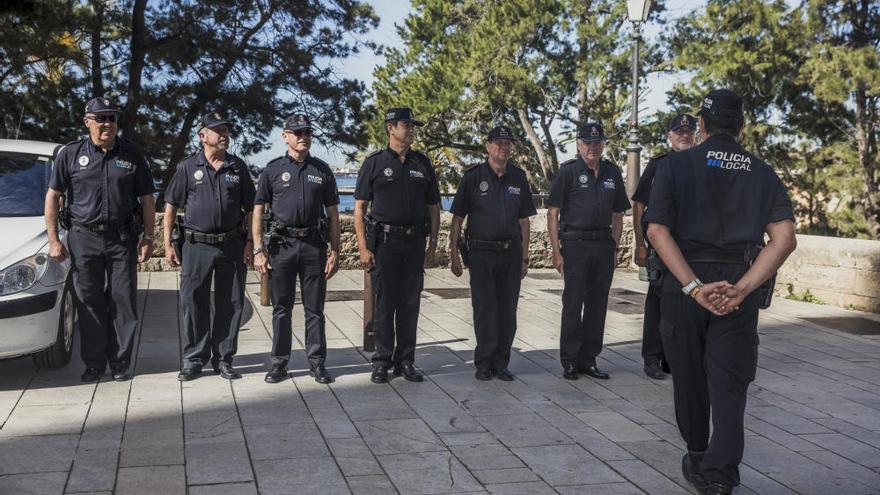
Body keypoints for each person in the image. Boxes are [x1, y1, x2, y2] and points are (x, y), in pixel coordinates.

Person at [646, 89, 797, 495]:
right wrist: (744, 288)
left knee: (689, 376)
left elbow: (656, 229)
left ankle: (698, 454)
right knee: (730, 383)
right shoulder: (763, 172)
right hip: (736, 288)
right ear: (742, 126)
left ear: (701, 125)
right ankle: (720, 476)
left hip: (686, 284)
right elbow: (784, 239)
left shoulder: (676, 166)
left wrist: (694, 287)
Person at [45, 96, 156, 383]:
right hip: (84, 238)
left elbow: (147, 199)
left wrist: (149, 236)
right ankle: (94, 363)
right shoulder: (70, 155)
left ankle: (119, 363)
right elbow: (53, 197)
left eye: (112, 118)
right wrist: (54, 239)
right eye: (101, 118)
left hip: (122, 239)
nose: (107, 123)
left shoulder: (132, 155)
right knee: (89, 301)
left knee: (123, 300)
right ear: (87, 122)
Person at [164, 112, 255, 382]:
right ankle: (194, 359)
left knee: (231, 302)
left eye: (226, 129)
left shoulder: (238, 167)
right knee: (193, 303)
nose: (224, 134)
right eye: (218, 130)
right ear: (203, 136)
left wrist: (251, 242)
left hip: (232, 244)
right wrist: (167, 242)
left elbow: (251, 208)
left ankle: (224, 359)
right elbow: (170, 206)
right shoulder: (187, 167)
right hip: (196, 245)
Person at [252, 114, 341, 385]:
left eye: (307, 132)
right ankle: (279, 363)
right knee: (282, 308)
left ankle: (317, 363)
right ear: (285, 136)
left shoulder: (322, 170)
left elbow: (334, 214)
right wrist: (258, 249)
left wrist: (335, 251)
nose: (303, 136)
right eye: (298, 132)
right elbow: (258, 211)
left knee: (315, 309)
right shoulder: (273, 170)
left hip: (313, 245)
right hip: (282, 246)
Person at [353, 107, 440, 384]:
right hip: (385, 243)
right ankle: (381, 362)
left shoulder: (422, 163)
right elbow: (359, 208)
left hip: (414, 242)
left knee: (409, 304)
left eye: (413, 125)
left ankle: (406, 361)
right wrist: (363, 247)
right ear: (391, 128)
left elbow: (434, 207)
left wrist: (432, 244)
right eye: (406, 124)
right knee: (385, 304)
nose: (412, 129)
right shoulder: (374, 163)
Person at [449, 125, 536, 381]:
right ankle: (484, 362)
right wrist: (453, 253)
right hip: (481, 254)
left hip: (510, 254)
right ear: (488, 146)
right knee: (485, 309)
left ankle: (501, 363)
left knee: (507, 310)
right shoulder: (474, 177)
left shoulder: (518, 178)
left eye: (508, 143)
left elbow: (525, 221)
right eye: (498, 143)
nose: (503, 147)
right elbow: (457, 218)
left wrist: (524, 257)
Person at [547, 122, 630, 381]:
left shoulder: (612, 173)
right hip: (574, 244)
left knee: (598, 304)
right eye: (588, 143)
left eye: (598, 143)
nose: (593, 147)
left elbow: (618, 214)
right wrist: (556, 251)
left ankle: (589, 359)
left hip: (603, 245)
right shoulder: (568, 172)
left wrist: (615, 246)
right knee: (573, 303)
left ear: (603, 144)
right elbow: (553, 212)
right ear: (578, 144)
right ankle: (570, 360)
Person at [632, 113, 697, 380]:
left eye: (688, 131)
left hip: (691, 246)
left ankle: (676, 357)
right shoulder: (659, 164)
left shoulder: (700, 164)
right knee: (658, 302)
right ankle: (653, 357)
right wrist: (639, 243)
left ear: (696, 135)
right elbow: (639, 204)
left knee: (688, 303)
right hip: (661, 244)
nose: (684, 135)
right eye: (678, 131)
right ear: (669, 137)